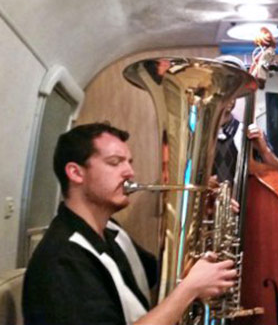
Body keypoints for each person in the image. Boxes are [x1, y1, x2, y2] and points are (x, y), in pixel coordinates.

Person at [22, 123, 237, 325]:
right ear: (76, 172)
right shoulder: (62, 259)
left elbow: (160, 275)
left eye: (129, 162)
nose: (129, 173)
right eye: (115, 162)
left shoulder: (110, 229)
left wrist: (198, 217)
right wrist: (190, 290)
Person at [212, 55, 278, 185]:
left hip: (249, 204)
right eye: (223, 88)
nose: (228, 95)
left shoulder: (249, 133)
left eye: (234, 89)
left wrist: (264, 150)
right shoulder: (197, 136)